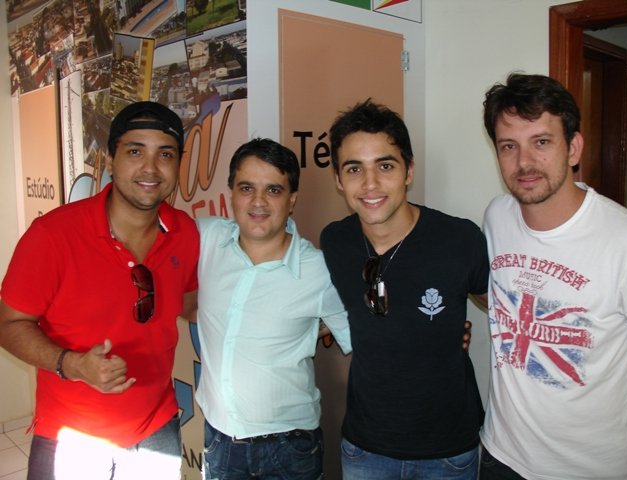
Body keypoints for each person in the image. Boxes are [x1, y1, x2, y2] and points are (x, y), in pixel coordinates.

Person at [0, 101, 199, 479]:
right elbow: (8, 323)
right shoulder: (52, 236)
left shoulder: (184, 233)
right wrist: (70, 364)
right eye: (135, 151)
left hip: (156, 429)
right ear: (110, 160)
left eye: (165, 154)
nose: (150, 168)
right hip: (72, 437)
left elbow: (190, 304)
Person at [479, 73, 627, 480]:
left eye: (541, 142)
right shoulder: (497, 216)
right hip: (501, 455)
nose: (524, 163)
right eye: (509, 146)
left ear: (573, 148)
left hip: (590, 469)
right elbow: (498, 293)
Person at [320, 99, 489, 479]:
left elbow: (499, 307)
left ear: (409, 171)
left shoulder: (460, 239)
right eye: (354, 169)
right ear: (338, 179)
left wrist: (447, 328)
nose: (370, 184)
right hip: (365, 449)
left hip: (449, 452)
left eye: (385, 166)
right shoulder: (335, 241)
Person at [194, 138, 352, 479]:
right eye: (246, 188)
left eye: (273, 190)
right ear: (232, 193)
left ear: (292, 199)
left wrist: (436, 332)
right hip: (220, 441)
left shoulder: (319, 270)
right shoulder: (204, 239)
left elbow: (365, 335)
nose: (258, 202)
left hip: (290, 448)